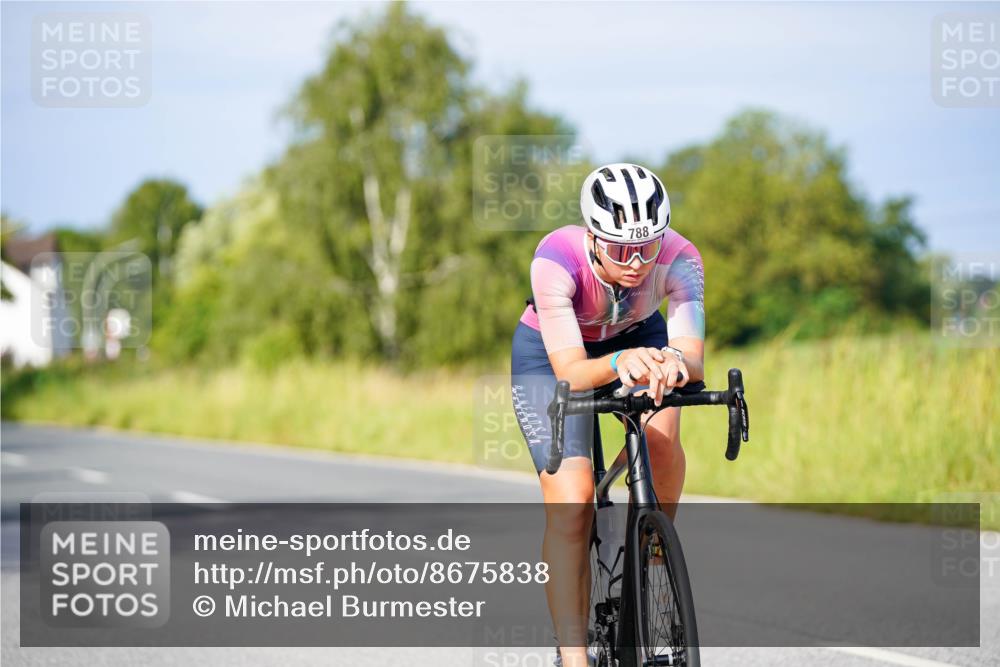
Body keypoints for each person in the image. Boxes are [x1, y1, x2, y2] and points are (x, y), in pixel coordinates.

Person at [510, 163, 706, 666]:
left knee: (661, 444)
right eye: (622, 249)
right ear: (594, 238)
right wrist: (620, 363)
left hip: (640, 336)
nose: (639, 262)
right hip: (552, 355)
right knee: (573, 504)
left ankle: (654, 563)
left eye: (649, 246)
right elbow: (572, 372)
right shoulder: (555, 258)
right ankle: (574, 660)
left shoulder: (681, 258)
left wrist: (672, 364)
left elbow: (692, 357)